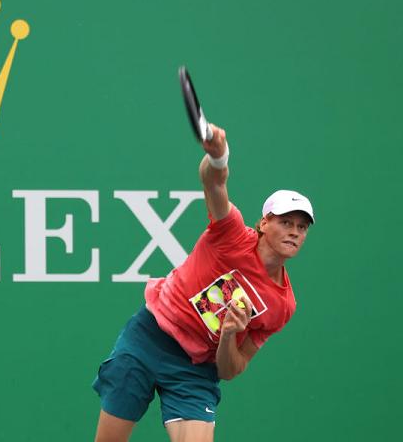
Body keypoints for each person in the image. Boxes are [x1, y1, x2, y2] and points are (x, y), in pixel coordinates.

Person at [92, 124, 314, 442]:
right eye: (286, 222)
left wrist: (229, 336)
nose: (294, 231)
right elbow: (214, 182)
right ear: (265, 223)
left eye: (302, 227)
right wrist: (218, 156)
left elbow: (230, 369)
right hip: (147, 338)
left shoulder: (282, 305)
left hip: (194, 369)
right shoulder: (232, 233)